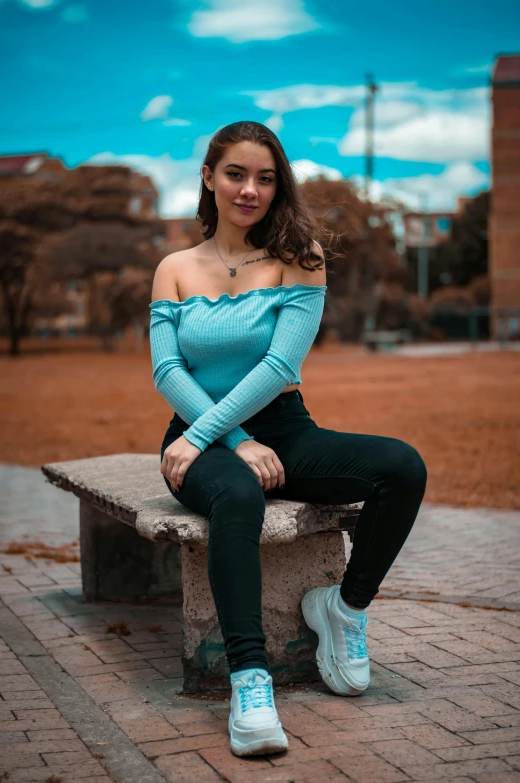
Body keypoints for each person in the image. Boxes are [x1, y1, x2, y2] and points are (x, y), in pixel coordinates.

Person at [149, 121, 428, 758]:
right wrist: (229, 439)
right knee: (239, 497)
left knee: (401, 466)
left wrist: (243, 435)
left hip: (283, 428)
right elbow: (168, 371)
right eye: (236, 174)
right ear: (209, 178)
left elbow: (279, 366)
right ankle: (251, 680)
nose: (250, 189)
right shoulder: (174, 268)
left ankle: (345, 609)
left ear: (279, 186)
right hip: (195, 438)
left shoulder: (299, 258)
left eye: (266, 178)